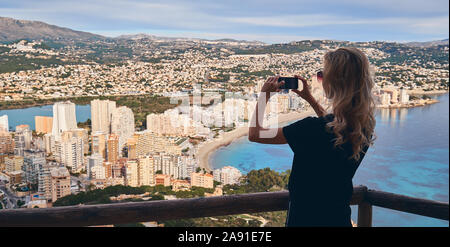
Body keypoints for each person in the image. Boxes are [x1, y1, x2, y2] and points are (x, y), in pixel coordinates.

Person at [248, 47, 376, 227]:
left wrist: (264, 96)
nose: (320, 79)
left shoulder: (310, 128)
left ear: (333, 82)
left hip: (304, 219)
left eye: (322, 75)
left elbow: (254, 134)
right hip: (339, 219)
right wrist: (309, 99)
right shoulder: (363, 128)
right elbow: (332, 126)